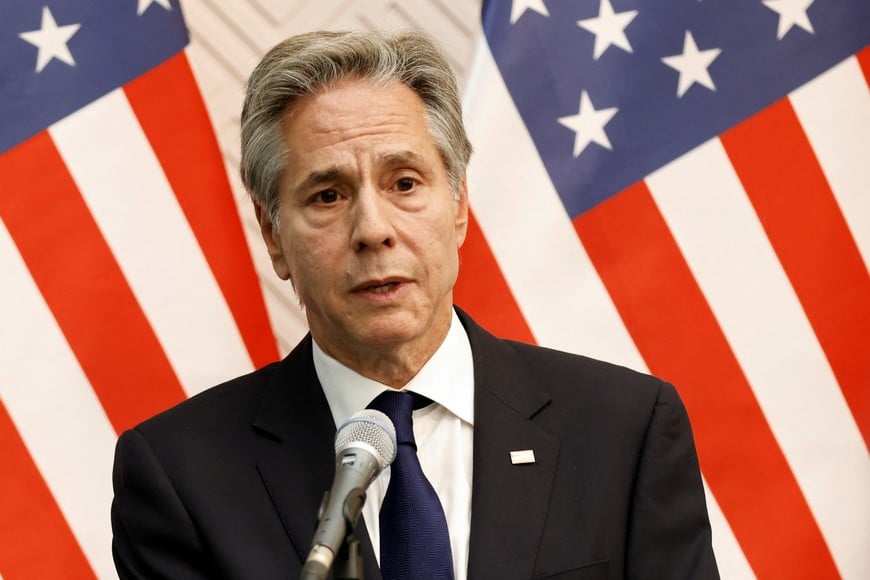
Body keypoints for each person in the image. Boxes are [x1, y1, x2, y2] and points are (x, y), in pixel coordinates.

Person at [111, 30, 719, 579]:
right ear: (274, 237)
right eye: (327, 195)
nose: (373, 229)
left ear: (457, 207)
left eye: (404, 183)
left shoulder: (623, 430)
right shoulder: (179, 475)